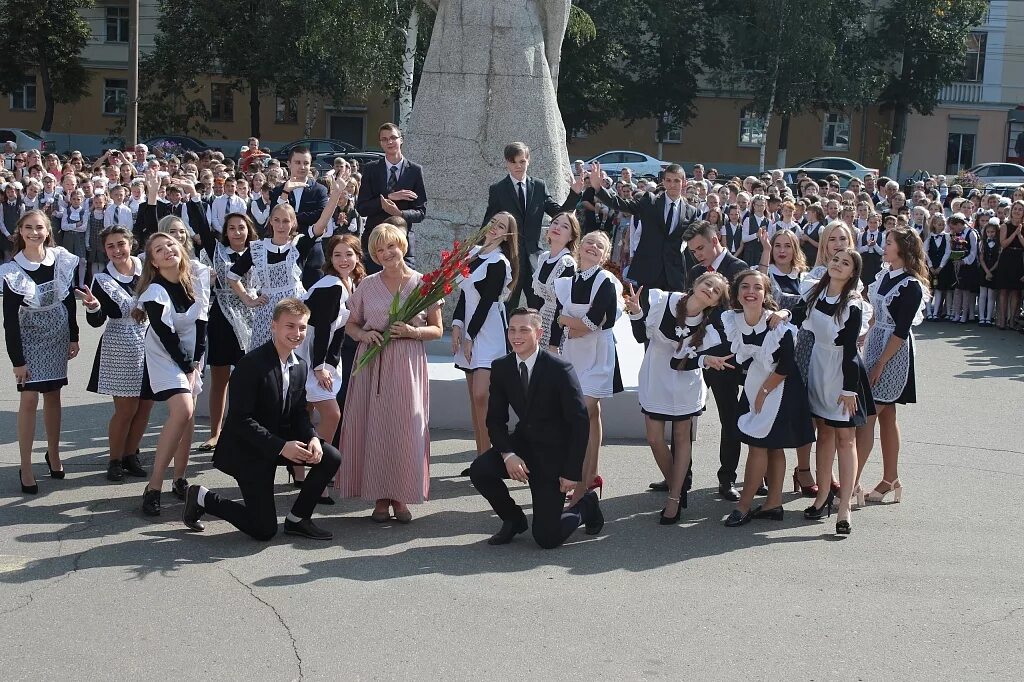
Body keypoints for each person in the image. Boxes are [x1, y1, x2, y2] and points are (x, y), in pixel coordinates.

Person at [182, 298, 342, 540]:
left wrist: (312, 437)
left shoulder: (300, 366)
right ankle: (202, 497)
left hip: (277, 443)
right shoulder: (251, 364)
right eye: (290, 326)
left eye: (301, 328)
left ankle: (298, 519)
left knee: (330, 456)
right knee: (263, 530)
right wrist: (281, 447)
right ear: (274, 326)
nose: (297, 333)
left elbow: (299, 412)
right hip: (248, 450)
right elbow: (239, 420)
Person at [468, 307, 603, 547]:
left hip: (553, 457)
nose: (516, 336)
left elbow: (579, 422)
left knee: (547, 538)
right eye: (511, 330)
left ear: (539, 333)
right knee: (480, 469)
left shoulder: (560, 368)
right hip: (523, 446)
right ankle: (513, 520)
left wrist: (572, 472)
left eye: (524, 330)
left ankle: (586, 505)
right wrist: (508, 455)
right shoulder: (501, 367)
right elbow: (495, 420)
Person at [337, 223, 443, 522]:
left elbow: (437, 329)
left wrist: (412, 331)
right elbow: (351, 323)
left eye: (391, 246)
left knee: (405, 427)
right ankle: (380, 498)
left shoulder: (424, 283)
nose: (386, 254)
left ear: (403, 245)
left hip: (407, 364)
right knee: (376, 427)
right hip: (373, 365)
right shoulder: (367, 285)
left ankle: (401, 496)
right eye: (379, 250)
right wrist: (362, 336)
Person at [713, 270, 814, 526]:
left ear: (765, 293)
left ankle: (744, 505)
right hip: (757, 386)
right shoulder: (732, 320)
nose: (751, 292)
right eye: (745, 287)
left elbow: (786, 366)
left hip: (780, 389)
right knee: (772, 446)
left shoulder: (778, 325)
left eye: (757, 287)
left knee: (759, 446)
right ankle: (773, 504)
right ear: (736, 294)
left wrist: (764, 392)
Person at [627, 273, 729, 523]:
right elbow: (641, 336)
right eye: (707, 283)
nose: (710, 289)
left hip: (686, 382)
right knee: (654, 438)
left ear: (716, 302)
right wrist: (636, 312)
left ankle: (674, 498)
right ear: (695, 284)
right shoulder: (663, 300)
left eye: (716, 291)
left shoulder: (709, 328)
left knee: (682, 438)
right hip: (656, 376)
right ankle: (678, 485)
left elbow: (689, 360)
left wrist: (705, 359)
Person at [1, 210, 80, 494]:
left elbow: (69, 300)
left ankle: (54, 453)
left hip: (57, 333)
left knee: (54, 396)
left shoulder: (60, 259)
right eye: (28, 228)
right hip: (29, 336)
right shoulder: (12, 269)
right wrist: (17, 360)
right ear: (20, 232)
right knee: (29, 399)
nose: (34, 232)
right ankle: (25, 464)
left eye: (39, 227)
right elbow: (9, 319)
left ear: (48, 231)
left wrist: (74, 335)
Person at [683, 220, 760, 500]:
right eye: (693, 251)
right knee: (696, 416)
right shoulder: (694, 271)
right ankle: (684, 478)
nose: (698, 254)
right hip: (704, 354)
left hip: (736, 356)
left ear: (715, 240)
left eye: (701, 248)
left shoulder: (740, 268)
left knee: (739, 417)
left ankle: (739, 476)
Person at [800, 248, 874, 535]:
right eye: (836, 260)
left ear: (853, 273)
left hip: (843, 374)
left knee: (846, 439)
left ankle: (844, 507)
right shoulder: (816, 294)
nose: (838, 265)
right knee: (824, 433)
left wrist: (848, 389)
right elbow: (797, 314)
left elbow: (851, 351)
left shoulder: (853, 305)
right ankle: (822, 498)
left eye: (846, 263)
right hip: (819, 367)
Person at [136, 233, 210, 516]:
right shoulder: (155, 292)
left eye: (170, 245)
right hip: (165, 356)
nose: (167, 250)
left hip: (191, 355)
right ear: (153, 262)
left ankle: (179, 478)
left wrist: (197, 362)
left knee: (188, 415)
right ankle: (153, 487)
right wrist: (187, 367)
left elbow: (202, 324)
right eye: (159, 249)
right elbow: (167, 337)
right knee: (182, 410)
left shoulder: (195, 282)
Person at [857, 227, 930, 505]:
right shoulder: (884, 275)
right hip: (876, 346)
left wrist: (880, 364)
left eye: (889, 243)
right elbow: (877, 314)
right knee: (888, 417)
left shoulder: (911, 286)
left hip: (893, 354)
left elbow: (900, 331)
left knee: (868, 418)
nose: (883, 247)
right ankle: (891, 479)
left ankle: (852, 483)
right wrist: (866, 334)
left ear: (903, 249)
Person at [554, 231, 622, 505]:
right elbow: (564, 326)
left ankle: (581, 484)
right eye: (590, 242)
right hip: (572, 354)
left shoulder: (606, 281)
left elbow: (592, 324)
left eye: (600, 246)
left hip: (597, 355)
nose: (593, 247)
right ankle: (591, 475)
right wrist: (565, 325)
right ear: (580, 246)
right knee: (590, 415)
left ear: (605, 255)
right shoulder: (566, 283)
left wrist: (564, 320)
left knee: (583, 412)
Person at [79, 226, 151, 482]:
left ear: (131, 244)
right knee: (126, 410)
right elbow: (97, 321)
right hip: (120, 346)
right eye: (111, 246)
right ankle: (115, 459)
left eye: (121, 244)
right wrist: (93, 307)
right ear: (105, 250)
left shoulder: (148, 269)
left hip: (152, 343)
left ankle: (131, 455)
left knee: (145, 407)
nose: (117, 250)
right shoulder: (101, 280)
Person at [481, 142, 582, 308]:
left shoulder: (539, 186)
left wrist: (575, 194)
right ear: (507, 163)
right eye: (513, 162)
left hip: (535, 259)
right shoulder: (498, 190)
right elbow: (487, 225)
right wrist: (478, 253)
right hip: (509, 258)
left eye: (522, 161)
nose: (518, 166)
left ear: (528, 160)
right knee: (507, 308)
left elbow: (559, 215)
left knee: (538, 308)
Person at [452, 212, 518, 455]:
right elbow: (464, 293)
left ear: (507, 235)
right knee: (474, 398)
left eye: (501, 226)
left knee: (482, 396)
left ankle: (495, 454)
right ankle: (482, 456)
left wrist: (470, 336)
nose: (495, 228)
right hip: (469, 326)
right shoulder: (473, 253)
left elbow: (487, 302)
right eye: (493, 223)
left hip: (488, 332)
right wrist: (457, 325)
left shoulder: (499, 262)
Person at [296, 234, 363, 469]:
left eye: (348, 254)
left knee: (305, 410)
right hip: (309, 351)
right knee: (331, 414)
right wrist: (320, 367)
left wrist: (330, 365)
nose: (343, 260)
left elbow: (338, 330)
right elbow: (323, 329)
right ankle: (318, 469)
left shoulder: (350, 282)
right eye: (337, 255)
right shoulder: (332, 285)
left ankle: (301, 470)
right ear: (330, 258)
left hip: (321, 353)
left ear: (357, 256)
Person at [226, 203, 323, 348]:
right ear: (271, 221)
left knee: (295, 355)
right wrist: (248, 300)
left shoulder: (298, 244)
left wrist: (335, 195)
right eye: (276, 220)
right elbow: (233, 276)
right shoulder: (257, 248)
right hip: (267, 313)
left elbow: (320, 226)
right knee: (263, 357)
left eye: (286, 221)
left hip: (295, 309)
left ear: (293, 222)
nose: (281, 225)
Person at [590, 161, 698, 290]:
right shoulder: (650, 202)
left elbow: (694, 243)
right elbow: (622, 204)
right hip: (649, 271)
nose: (672, 185)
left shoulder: (691, 212)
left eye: (676, 181)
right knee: (645, 309)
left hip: (674, 275)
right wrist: (598, 188)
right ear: (663, 182)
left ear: (684, 182)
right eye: (668, 180)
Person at [355, 123, 427, 273]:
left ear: (401, 140)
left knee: (405, 289)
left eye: (393, 137)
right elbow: (362, 207)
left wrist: (399, 214)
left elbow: (421, 212)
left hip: (402, 240)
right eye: (385, 139)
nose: (390, 142)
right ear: (380, 143)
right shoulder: (371, 169)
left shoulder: (414, 170)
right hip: (375, 240)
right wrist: (387, 198)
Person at [532, 211, 579, 349]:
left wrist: (554, 344)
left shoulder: (567, 263)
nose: (557, 227)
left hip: (557, 328)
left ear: (571, 236)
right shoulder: (544, 257)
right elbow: (538, 299)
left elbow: (562, 306)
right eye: (555, 223)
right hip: (541, 323)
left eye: (565, 226)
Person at [995, 201, 1024, 329]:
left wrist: (1020, 234)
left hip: (1019, 260)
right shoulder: (1005, 226)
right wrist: (1015, 233)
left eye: (1020, 209)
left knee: (1016, 292)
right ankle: (1002, 319)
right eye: (1015, 209)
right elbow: (1004, 244)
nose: (1017, 211)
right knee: (1004, 290)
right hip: (1006, 259)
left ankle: (1012, 320)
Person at [925, 213, 953, 320]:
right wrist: (931, 266)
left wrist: (940, 266)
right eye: (939, 224)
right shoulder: (930, 237)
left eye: (943, 224)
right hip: (931, 267)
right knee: (930, 289)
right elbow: (925, 252)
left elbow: (947, 252)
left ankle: (936, 313)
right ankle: (928, 312)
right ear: (934, 224)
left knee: (939, 290)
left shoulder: (947, 237)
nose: (941, 226)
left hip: (942, 267)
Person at [979, 218, 1001, 326]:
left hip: (994, 271)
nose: (990, 234)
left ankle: (989, 317)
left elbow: (998, 260)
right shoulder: (982, 243)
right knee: (982, 295)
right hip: (984, 270)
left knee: (991, 295)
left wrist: (991, 271)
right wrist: (987, 271)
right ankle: (981, 317)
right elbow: (981, 259)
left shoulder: (999, 244)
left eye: (992, 232)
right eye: (988, 232)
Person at [857, 212, 885, 287]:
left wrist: (875, 245)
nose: (872, 225)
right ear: (867, 222)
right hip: (864, 262)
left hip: (876, 263)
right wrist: (867, 246)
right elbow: (858, 250)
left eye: (875, 222)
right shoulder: (862, 235)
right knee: (864, 283)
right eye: (870, 222)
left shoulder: (882, 236)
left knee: (875, 283)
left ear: (879, 223)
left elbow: (883, 252)